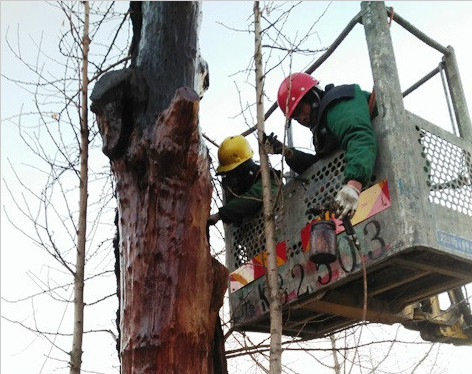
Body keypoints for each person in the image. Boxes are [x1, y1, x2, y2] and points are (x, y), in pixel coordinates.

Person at [264, 72, 377, 220]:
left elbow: (359, 137)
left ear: (312, 97)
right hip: (367, 186)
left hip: (376, 174)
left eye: (300, 110)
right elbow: (321, 166)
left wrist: (354, 185)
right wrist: (288, 153)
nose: (301, 118)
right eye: (295, 117)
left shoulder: (337, 104)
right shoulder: (322, 128)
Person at [208, 135, 281, 226]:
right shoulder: (244, 187)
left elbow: (255, 196)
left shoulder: (268, 177)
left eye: (232, 173)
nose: (230, 179)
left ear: (242, 168)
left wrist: (220, 215)